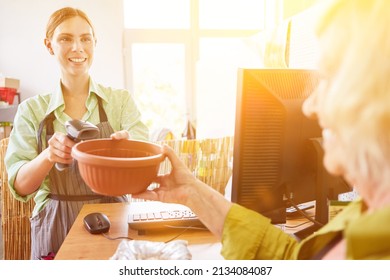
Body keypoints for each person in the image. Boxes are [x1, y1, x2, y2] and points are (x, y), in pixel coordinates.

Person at [135, 0, 390, 259]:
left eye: (327, 79)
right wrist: (191, 192)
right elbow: (294, 259)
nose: (309, 107)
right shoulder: (368, 212)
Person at [5, 7, 149, 259]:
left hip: (114, 219)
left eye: (85, 38)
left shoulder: (121, 102)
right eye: (65, 39)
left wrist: (129, 152)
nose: (77, 47)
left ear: (95, 42)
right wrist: (49, 155)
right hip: (54, 224)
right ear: (49, 45)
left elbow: (144, 167)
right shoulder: (31, 110)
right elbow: (21, 186)